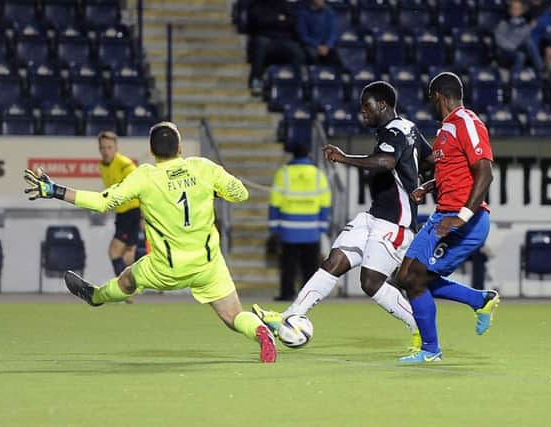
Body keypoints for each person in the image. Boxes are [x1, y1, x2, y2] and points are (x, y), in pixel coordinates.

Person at [23, 122, 277, 363]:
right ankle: (260, 332)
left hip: (166, 268)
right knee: (234, 316)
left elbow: (102, 202)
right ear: (180, 148)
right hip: (208, 266)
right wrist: (215, 189)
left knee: (127, 279)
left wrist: (55, 190)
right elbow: (241, 194)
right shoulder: (203, 167)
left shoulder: (145, 176)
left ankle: (95, 296)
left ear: (152, 151)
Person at [253, 81, 435, 352]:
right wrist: (427, 184)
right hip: (374, 217)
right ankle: (291, 316)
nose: (362, 112)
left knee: (371, 282)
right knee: (335, 261)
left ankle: (420, 329)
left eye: (367, 106)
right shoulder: (408, 127)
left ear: (382, 104)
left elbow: (386, 162)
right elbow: (431, 161)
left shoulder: (394, 131)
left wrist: (343, 158)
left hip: (395, 222)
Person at [394, 72, 500, 364]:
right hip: (444, 214)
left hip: (465, 219)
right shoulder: (446, 129)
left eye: (430, 99)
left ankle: (430, 350)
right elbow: (455, 172)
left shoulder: (467, 122)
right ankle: (480, 301)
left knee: (415, 278)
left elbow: (485, 171)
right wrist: (429, 186)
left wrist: (462, 217)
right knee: (406, 276)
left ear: (437, 96)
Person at [268, 143, 331, 301]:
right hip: (311, 229)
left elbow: (275, 201)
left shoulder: (284, 173)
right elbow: (325, 202)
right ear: (308, 155)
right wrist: (323, 227)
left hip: (288, 228)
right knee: (310, 266)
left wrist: (274, 227)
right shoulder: (318, 174)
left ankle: (287, 293)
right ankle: (310, 297)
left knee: (288, 265)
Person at [97, 131, 141, 278]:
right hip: (121, 213)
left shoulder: (125, 165)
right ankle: (131, 286)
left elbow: (139, 187)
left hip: (132, 211)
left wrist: (143, 216)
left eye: (109, 147)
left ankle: (124, 288)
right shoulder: (102, 166)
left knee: (114, 251)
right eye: (103, 147)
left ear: (116, 148)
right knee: (128, 254)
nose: (106, 151)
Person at [247, 0, 305, 96]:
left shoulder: (284, 3)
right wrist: (278, 19)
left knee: (296, 50)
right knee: (260, 46)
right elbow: (258, 21)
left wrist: (271, 21)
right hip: (264, 37)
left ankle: (299, 83)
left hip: (283, 38)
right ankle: (256, 80)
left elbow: (291, 21)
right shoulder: (257, 4)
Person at [494, 0, 543, 70]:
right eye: (514, 9)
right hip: (505, 51)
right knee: (521, 55)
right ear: (510, 10)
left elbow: (524, 37)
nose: (516, 11)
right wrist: (512, 47)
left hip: (516, 46)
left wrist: (530, 27)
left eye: (518, 9)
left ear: (521, 11)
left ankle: (541, 69)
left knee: (529, 42)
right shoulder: (504, 22)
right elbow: (498, 40)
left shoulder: (523, 22)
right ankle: (516, 75)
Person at [296, 0, 342, 68]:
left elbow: (333, 32)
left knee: (335, 57)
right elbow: (303, 36)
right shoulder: (303, 13)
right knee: (310, 55)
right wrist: (317, 46)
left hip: (327, 46)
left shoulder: (329, 12)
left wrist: (327, 46)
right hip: (311, 46)